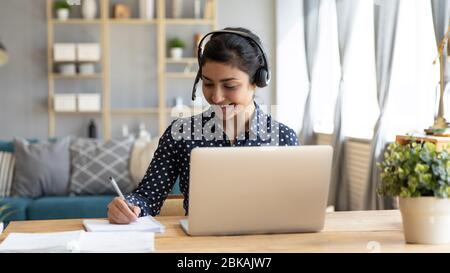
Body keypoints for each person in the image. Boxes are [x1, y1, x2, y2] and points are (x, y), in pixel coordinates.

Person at [107, 27, 299, 224]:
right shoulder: (180, 133)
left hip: (265, 244)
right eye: (207, 84)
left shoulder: (283, 137)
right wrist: (128, 206)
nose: (216, 97)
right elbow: (147, 197)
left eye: (230, 86)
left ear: (257, 81)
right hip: (200, 244)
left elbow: (295, 205)